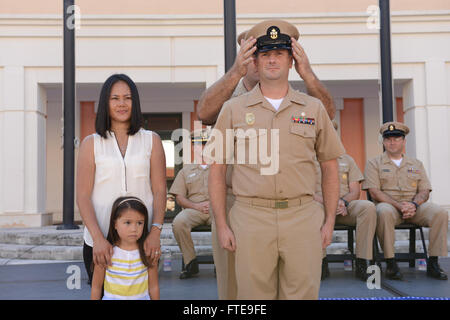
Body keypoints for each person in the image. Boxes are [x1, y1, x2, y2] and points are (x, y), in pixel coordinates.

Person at [206, 20, 345, 300]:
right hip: (250, 216)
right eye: (265, 54)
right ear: (253, 60)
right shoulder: (232, 108)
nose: (272, 60)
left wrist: (329, 220)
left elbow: (330, 165)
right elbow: (216, 168)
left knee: (302, 294)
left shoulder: (312, 107)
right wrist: (222, 224)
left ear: (291, 60)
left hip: (302, 215)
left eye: (279, 53)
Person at [76, 74, 167, 285]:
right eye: (114, 98)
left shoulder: (151, 140)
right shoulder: (91, 144)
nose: (121, 104)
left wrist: (155, 231)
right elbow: (82, 196)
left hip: (142, 240)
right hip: (100, 244)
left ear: (135, 102)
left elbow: (160, 190)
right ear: (105, 103)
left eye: (127, 98)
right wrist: (98, 238)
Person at [363, 121, 448, 280]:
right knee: (383, 211)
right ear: (383, 141)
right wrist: (399, 205)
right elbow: (374, 192)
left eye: (396, 138)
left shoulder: (416, 164)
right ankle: (391, 263)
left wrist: (414, 205)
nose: (392, 142)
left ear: (404, 141)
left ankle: (434, 262)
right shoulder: (374, 163)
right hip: (389, 206)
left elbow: (424, 190)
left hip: (414, 207)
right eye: (388, 139)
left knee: (440, 213)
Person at [314, 121, 377, 281]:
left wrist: (343, 202)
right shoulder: (308, 160)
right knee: (312, 211)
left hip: (344, 207)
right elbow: (306, 192)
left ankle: (363, 261)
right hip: (320, 206)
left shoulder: (347, 160)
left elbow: (355, 190)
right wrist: (330, 204)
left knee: (367, 207)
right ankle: (321, 263)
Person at [91, 196, 160, 300]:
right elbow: (96, 287)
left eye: (139, 223)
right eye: (128, 222)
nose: (134, 229)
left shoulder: (147, 252)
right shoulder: (107, 253)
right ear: (115, 224)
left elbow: (153, 287)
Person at [169, 129, 212, 279]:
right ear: (193, 147)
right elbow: (180, 198)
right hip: (194, 209)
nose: (203, 147)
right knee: (179, 222)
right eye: (199, 144)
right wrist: (197, 206)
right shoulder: (185, 171)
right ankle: (190, 262)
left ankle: (222, 264)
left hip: (217, 209)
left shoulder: (221, 168)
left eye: (206, 143)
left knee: (230, 222)